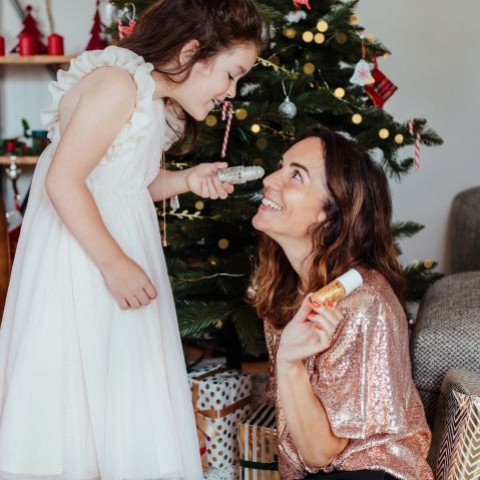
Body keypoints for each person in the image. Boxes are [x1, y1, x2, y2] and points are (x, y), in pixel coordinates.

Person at [0, 1, 266, 478]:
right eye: (231, 74)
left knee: (122, 386)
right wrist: (113, 263)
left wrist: (186, 180)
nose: (232, 91)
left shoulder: (152, 101)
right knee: (82, 386)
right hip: (85, 261)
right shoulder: (115, 84)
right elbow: (64, 181)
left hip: (117, 252)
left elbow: (123, 183)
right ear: (191, 54)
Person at [251, 130, 433, 480]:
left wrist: (290, 364)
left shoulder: (366, 304)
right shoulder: (287, 291)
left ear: (331, 214)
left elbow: (321, 454)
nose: (269, 180)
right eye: (279, 167)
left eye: (296, 175)